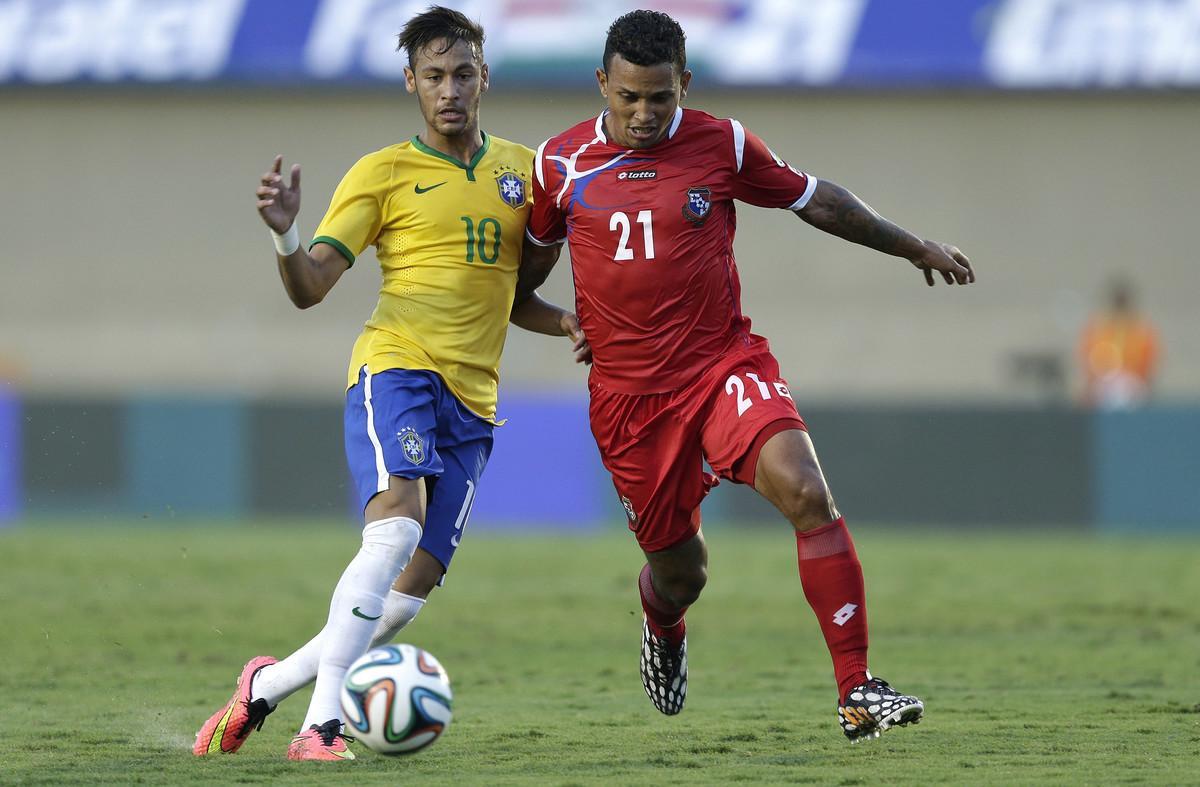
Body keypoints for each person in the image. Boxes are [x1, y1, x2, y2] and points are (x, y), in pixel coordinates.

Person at [518, 10, 975, 743]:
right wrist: (566, 323)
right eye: (627, 96)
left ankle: (856, 689)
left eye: (659, 97)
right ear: (602, 83)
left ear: (684, 85)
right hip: (631, 402)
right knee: (682, 574)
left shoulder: (721, 142)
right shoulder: (557, 165)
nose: (642, 113)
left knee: (806, 489)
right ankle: (662, 621)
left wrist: (914, 245)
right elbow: (519, 287)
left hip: (722, 363)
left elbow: (817, 199)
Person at [194, 6, 587, 762]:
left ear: (485, 77)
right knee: (396, 524)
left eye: (463, 74)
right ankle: (323, 726)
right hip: (397, 364)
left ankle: (265, 686)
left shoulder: (523, 172)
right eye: (434, 76)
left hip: (475, 402)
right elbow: (310, 287)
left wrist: (567, 321)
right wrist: (285, 233)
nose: (450, 90)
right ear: (411, 81)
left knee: (407, 593)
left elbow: (508, 292)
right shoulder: (381, 173)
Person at [1080, 278, 1159, 409]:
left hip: (1133, 384)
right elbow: (1089, 359)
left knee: (1126, 393)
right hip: (1103, 384)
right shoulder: (1098, 329)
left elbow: (1148, 362)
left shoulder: (1142, 331)